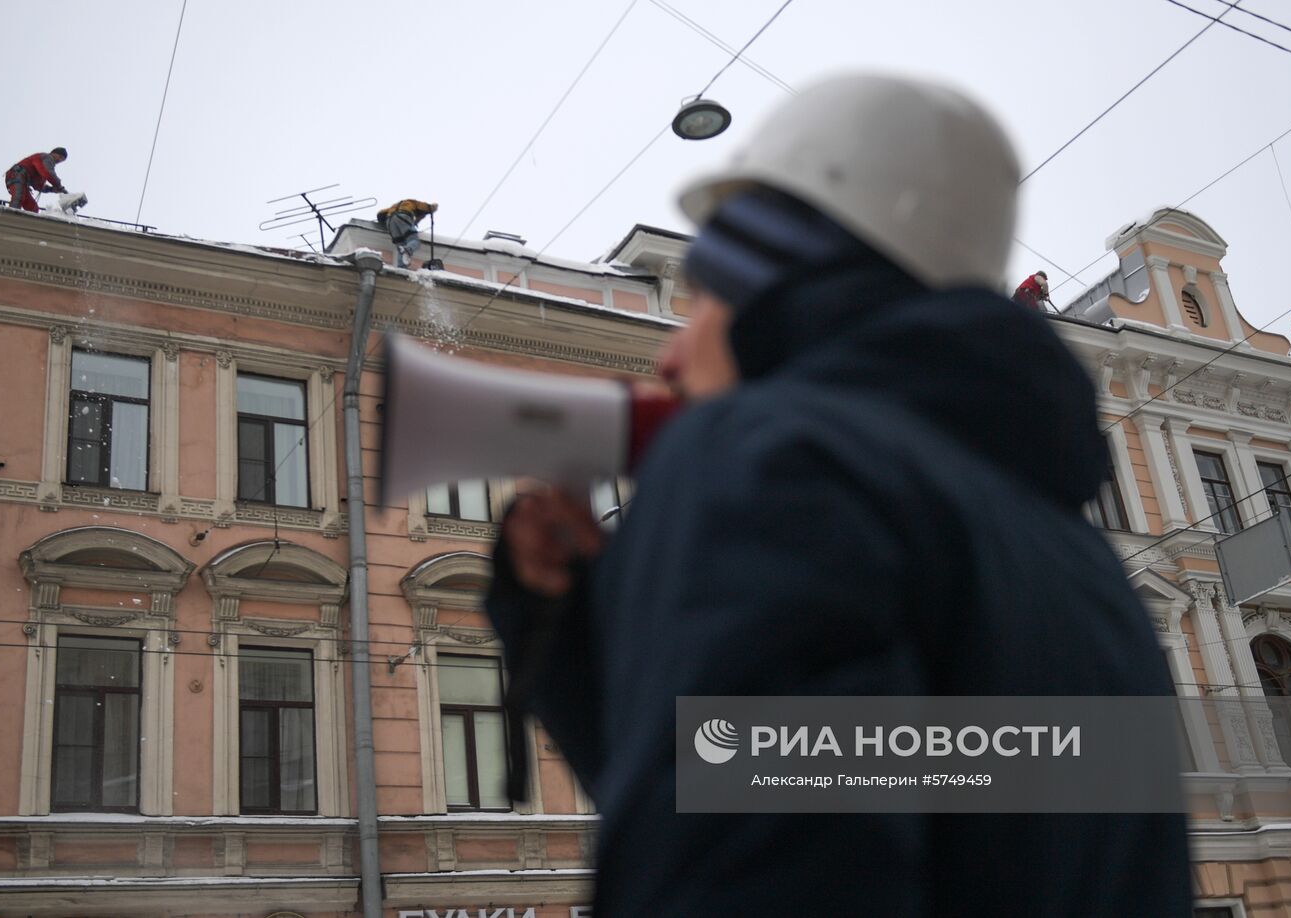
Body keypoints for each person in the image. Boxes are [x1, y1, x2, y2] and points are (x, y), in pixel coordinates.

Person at [486, 74, 1190, 916]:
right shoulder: (1088, 574)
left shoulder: (779, 456)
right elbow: (815, 787)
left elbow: (744, 857)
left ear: (768, 276)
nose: (671, 360)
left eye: (701, 296)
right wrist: (569, 631)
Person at [377, 198, 438, 268]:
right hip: (403, 216)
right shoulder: (414, 202)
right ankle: (408, 249)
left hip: (390, 222)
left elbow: (380, 213)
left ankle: (402, 266)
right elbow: (426, 207)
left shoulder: (394, 206)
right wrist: (433, 207)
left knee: (401, 245)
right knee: (414, 240)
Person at [5, 147, 67, 213]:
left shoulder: (42, 167)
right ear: (53, 153)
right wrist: (59, 186)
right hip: (17, 175)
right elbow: (48, 173)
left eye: (62, 160)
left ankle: (28, 221)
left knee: (33, 207)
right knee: (19, 196)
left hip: (22, 180)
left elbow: (38, 185)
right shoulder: (46, 157)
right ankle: (12, 214)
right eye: (60, 157)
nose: (59, 160)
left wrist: (51, 189)